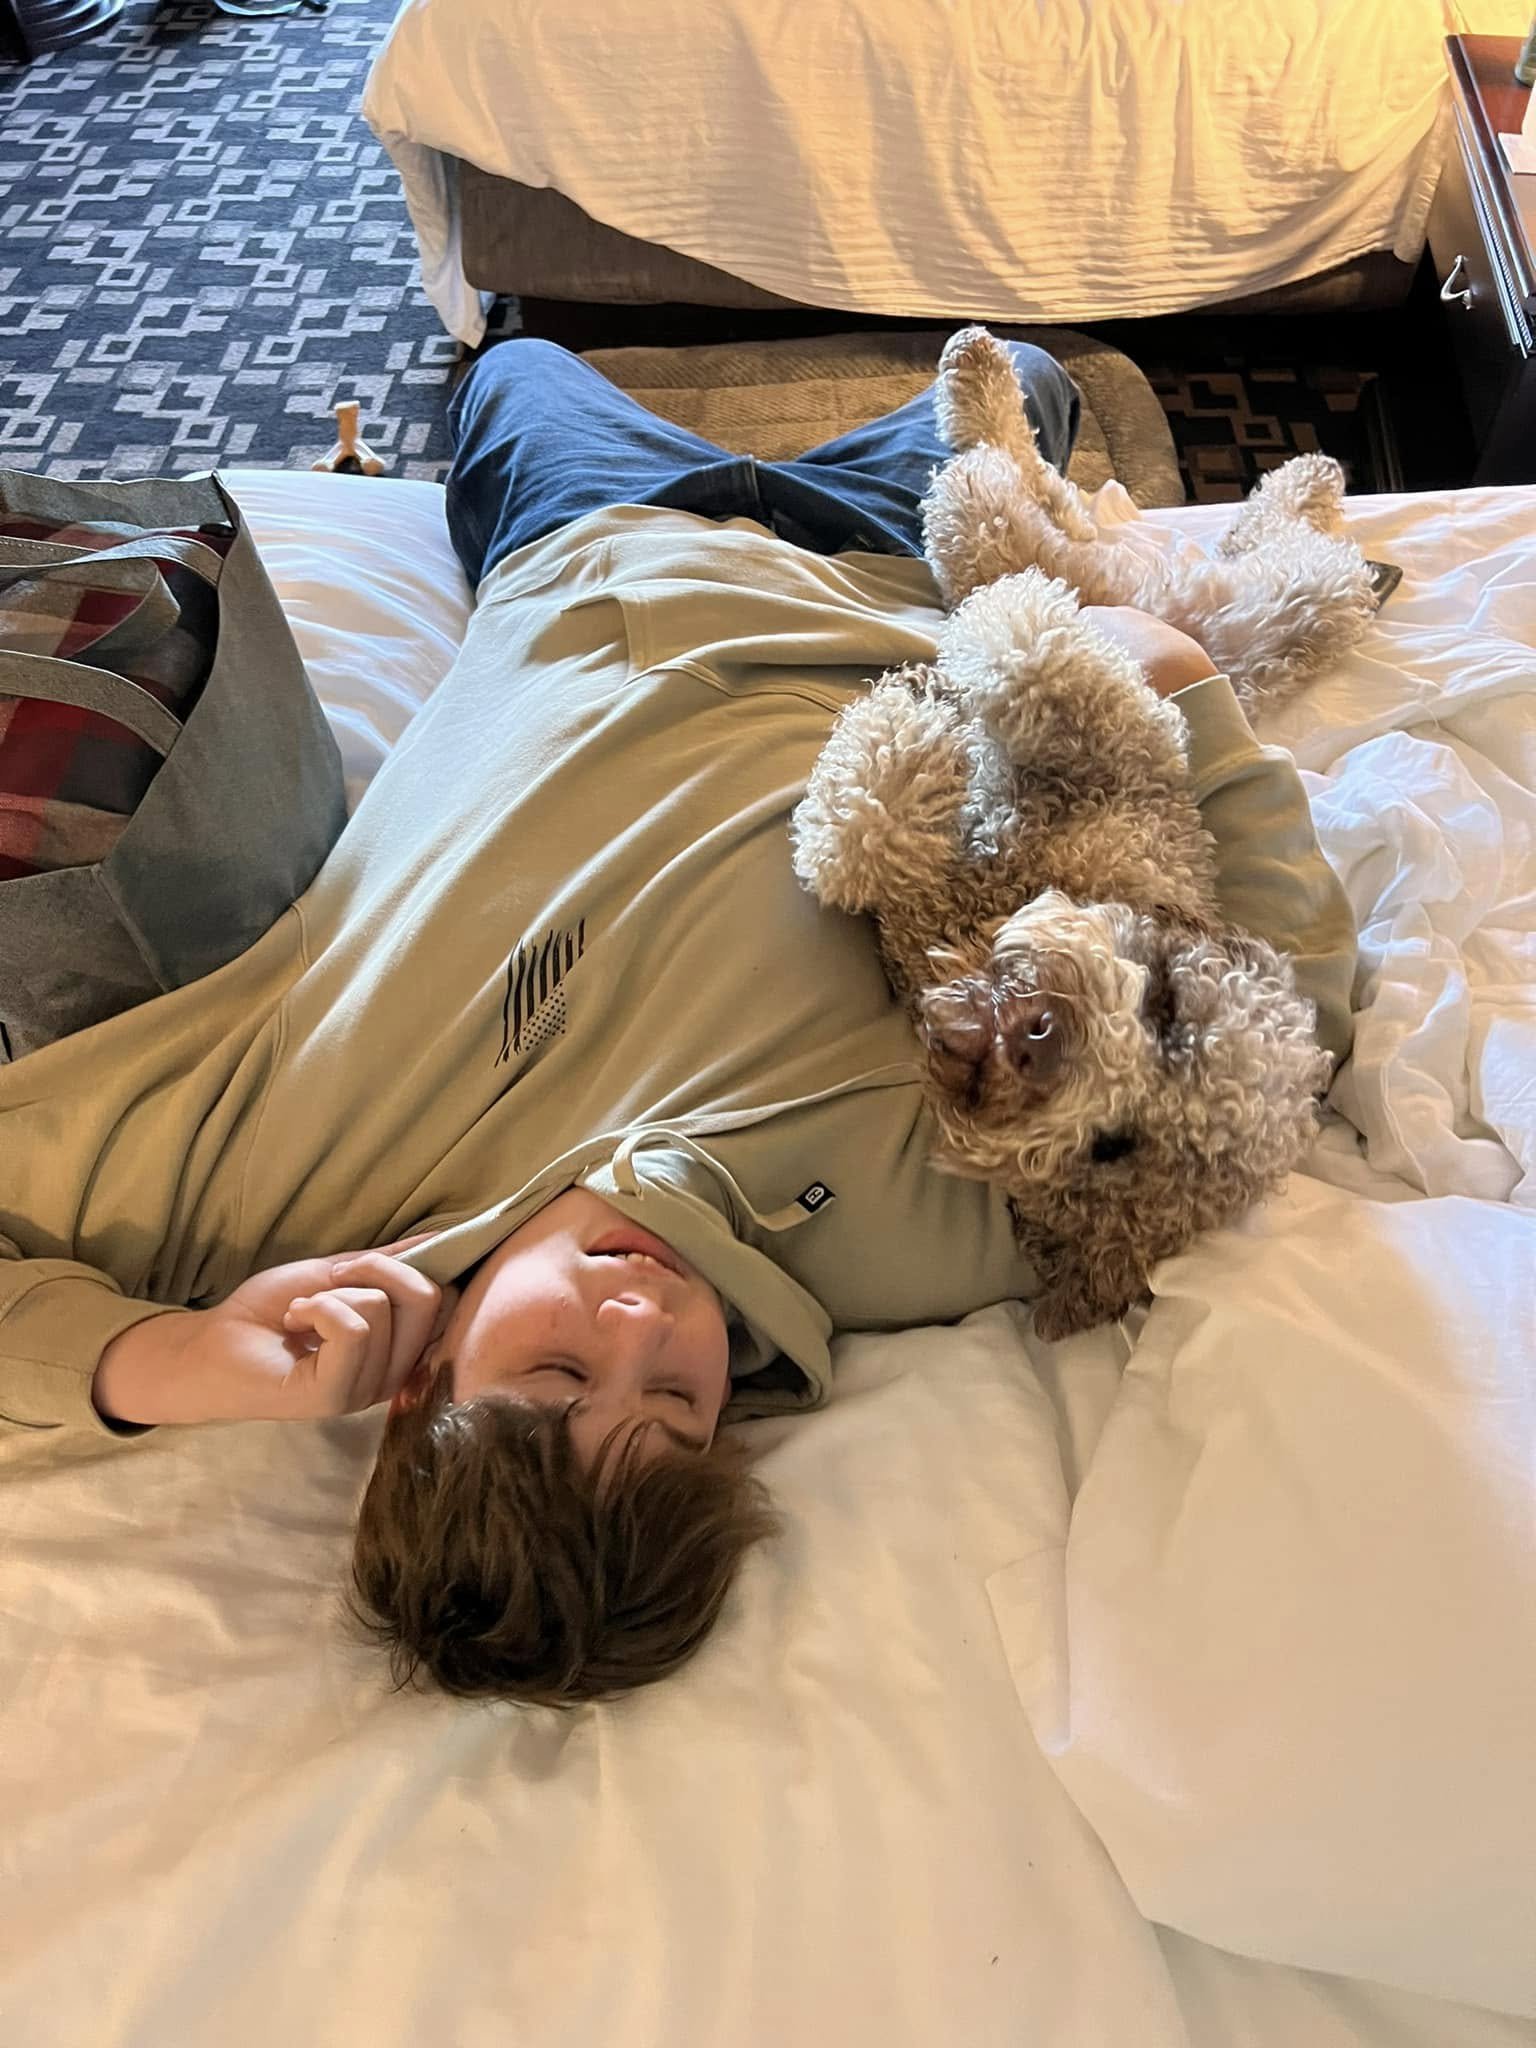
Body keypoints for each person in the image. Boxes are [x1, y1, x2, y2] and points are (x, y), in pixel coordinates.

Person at [0, 338, 1357, 1706]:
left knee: (512, 363)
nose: (643, 1318)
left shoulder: (273, 1194)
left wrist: (163, 1363)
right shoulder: (930, 1238)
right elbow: (1266, 1055)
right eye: (671, 1399)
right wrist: (1186, 687)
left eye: (560, 1363)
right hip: (901, 585)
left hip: (596, 545)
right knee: (1028, 378)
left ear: (423, 1383)